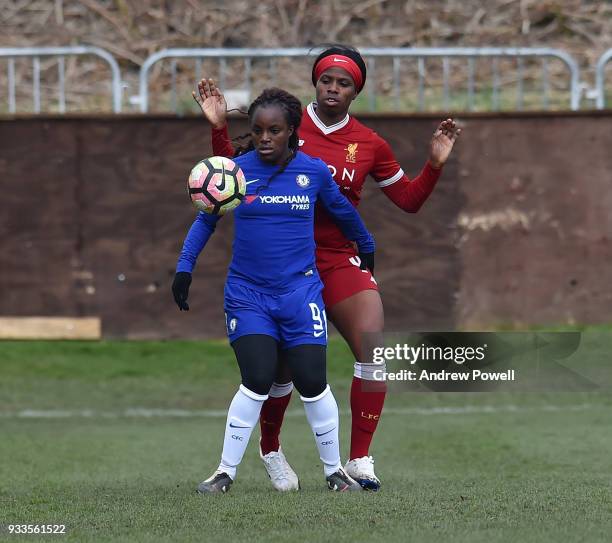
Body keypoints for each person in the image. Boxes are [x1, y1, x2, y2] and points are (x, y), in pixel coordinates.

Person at [194, 44, 461, 491]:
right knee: (278, 375)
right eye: (327, 80)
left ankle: (359, 460)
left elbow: (409, 202)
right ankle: (271, 449)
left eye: (345, 83)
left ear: (357, 91)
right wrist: (219, 128)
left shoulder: (370, 143)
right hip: (284, 264)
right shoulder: (288, 126)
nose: (334, 89)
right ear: (315, 83)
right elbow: (233, 179)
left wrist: (433, 165)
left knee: (373, 351)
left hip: (336, 259)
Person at [172, 87, 376, 493]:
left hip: (301, 295)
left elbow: (343, 212)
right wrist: (184, 269)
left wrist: (367, 246)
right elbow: (205, 222)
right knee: (258, 378)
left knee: (312, 381)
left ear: (292, 132)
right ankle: (224, 473)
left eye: (274, 131)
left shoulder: (314, 172)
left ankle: (334, 472)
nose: (265, 138)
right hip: (248, 296)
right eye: (259, 130)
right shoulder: (235, 173)